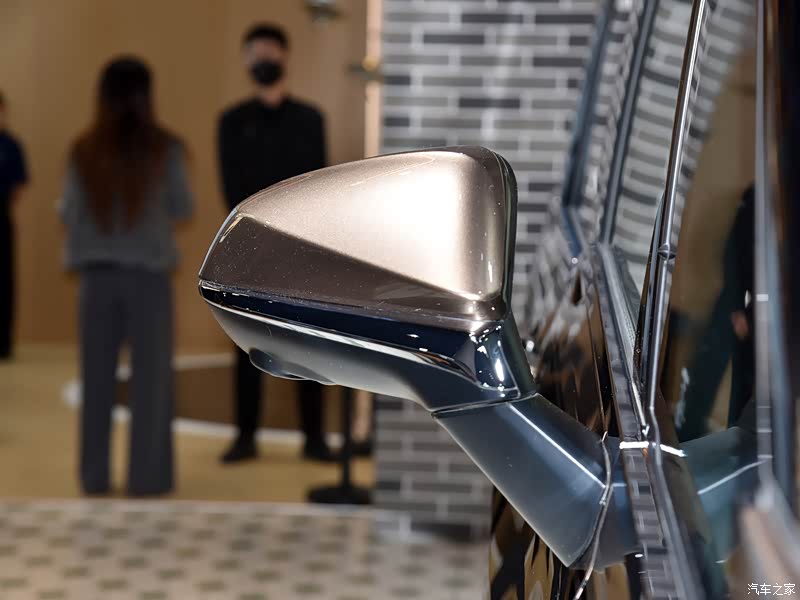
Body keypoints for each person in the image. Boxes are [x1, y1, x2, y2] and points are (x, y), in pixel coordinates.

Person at [60, 57, 193, 496]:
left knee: (96, 380)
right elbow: (183, 207)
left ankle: (94, 477)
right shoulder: (166, 148)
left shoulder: (83, 150)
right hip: (148, 279)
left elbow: (68, 211)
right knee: (151, 383)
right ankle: (147, 479)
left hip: (96, 280)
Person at [217, 23, 333, 464]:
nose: (264, 58)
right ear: (246, 61)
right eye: (256, 52)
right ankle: (244, 436)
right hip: (249, 247)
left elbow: (316, 186)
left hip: (302, 248)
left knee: (307, 342)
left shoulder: (310, 120)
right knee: (246, 343)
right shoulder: (231, 122)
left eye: (271, 50)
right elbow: (231, 189)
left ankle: (314, 438)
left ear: (285, 56)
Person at [0, 92, 28, 360]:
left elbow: (19, 186)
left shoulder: (11, 145)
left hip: (2, 216)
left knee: (5, 280)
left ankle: (4, 343)